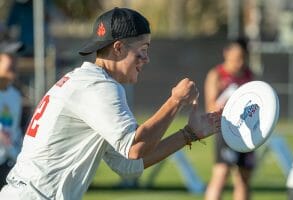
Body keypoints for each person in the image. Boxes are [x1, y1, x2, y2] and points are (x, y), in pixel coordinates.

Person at [0, 7, 221, 200]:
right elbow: (135, 149)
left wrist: (189, 134)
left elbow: (128, 165)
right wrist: (175, 101)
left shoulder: (88, 83)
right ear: (118, 48)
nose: (147, 59)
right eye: (142, 50)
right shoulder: (99, 86)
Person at [204, 39, 255, 200]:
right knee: (221, 173)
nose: (239, 63)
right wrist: (228, 99)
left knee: (244, 177)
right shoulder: (217, 74)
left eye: (243, 58)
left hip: (247, 132)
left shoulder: (249, 74)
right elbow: (210, 107)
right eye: (236, 58)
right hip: (226, 130)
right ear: (227, 53)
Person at [0, 29, 23, 189]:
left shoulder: (15, 96)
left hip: (8, 165)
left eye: (16, 57)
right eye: (10, 56)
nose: (14, 62)